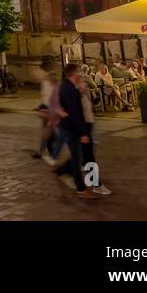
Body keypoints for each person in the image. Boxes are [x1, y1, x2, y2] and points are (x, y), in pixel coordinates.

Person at [54, 63, 97, 200]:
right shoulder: (68, 89)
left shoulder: (70, 86)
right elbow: (74, 113)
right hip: (70, 128)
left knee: (77, 156)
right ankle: (81, 189)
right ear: (73, 73)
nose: (81, 74)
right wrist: (83, 133)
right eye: (78, 71)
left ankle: (61, 171)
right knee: (77, 158)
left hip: (70, 127)